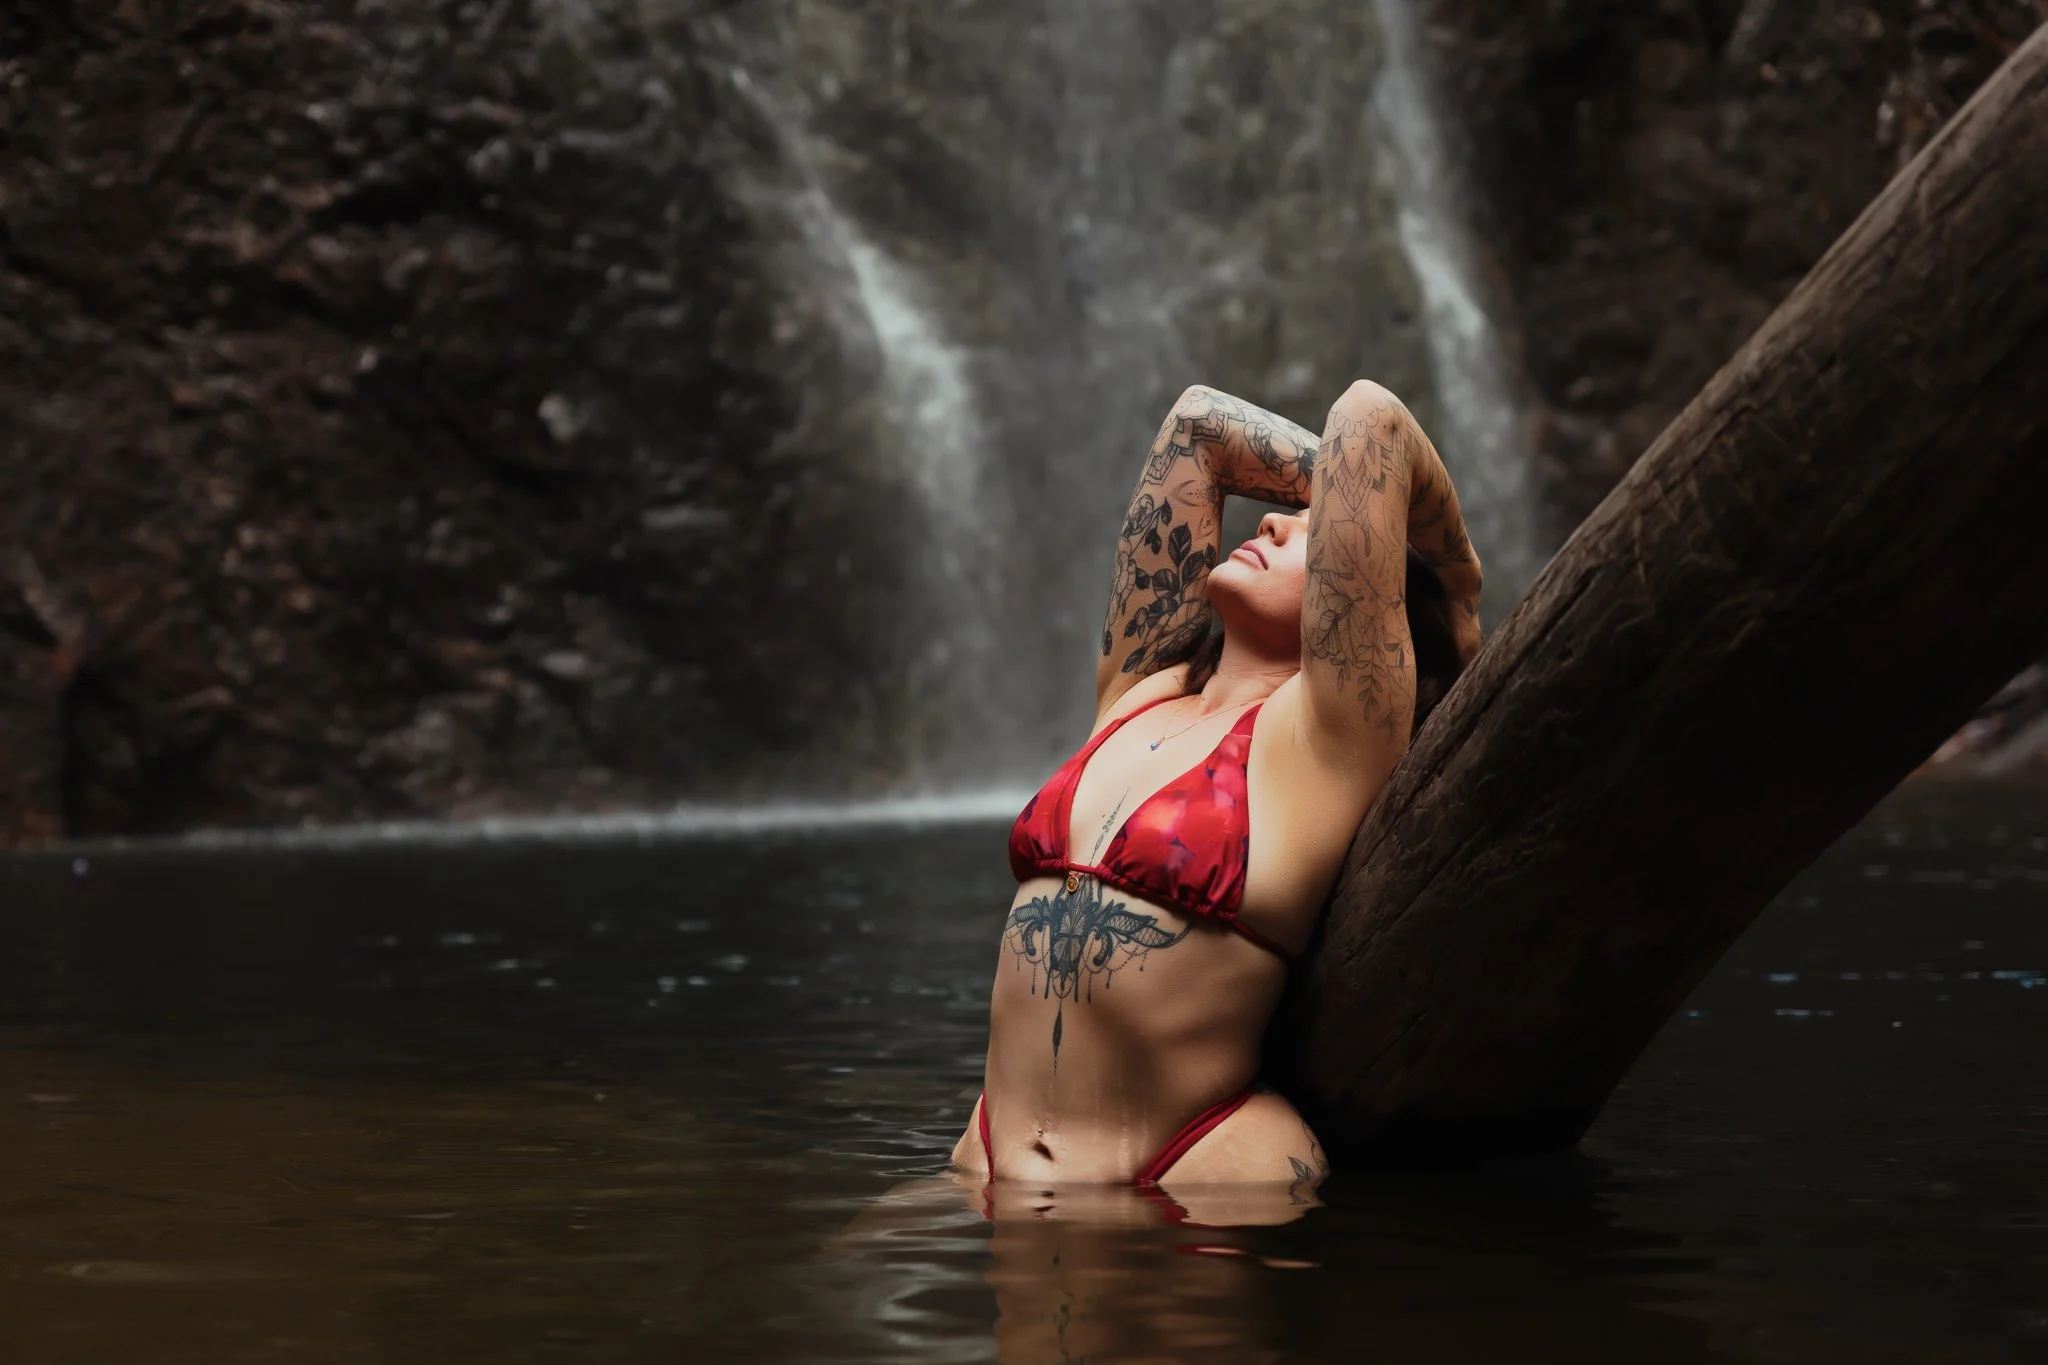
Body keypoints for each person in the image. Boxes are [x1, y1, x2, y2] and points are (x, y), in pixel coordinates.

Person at [951, 380, 1483, 1190]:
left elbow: (1368, 417)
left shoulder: (1326, 740)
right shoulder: (1142, 689)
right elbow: (1198, 423)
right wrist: (1361, 506)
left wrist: (1455, 578)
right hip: (985, 1162)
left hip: (1183, 1179)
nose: (1272, 518)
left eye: (1316, 532)